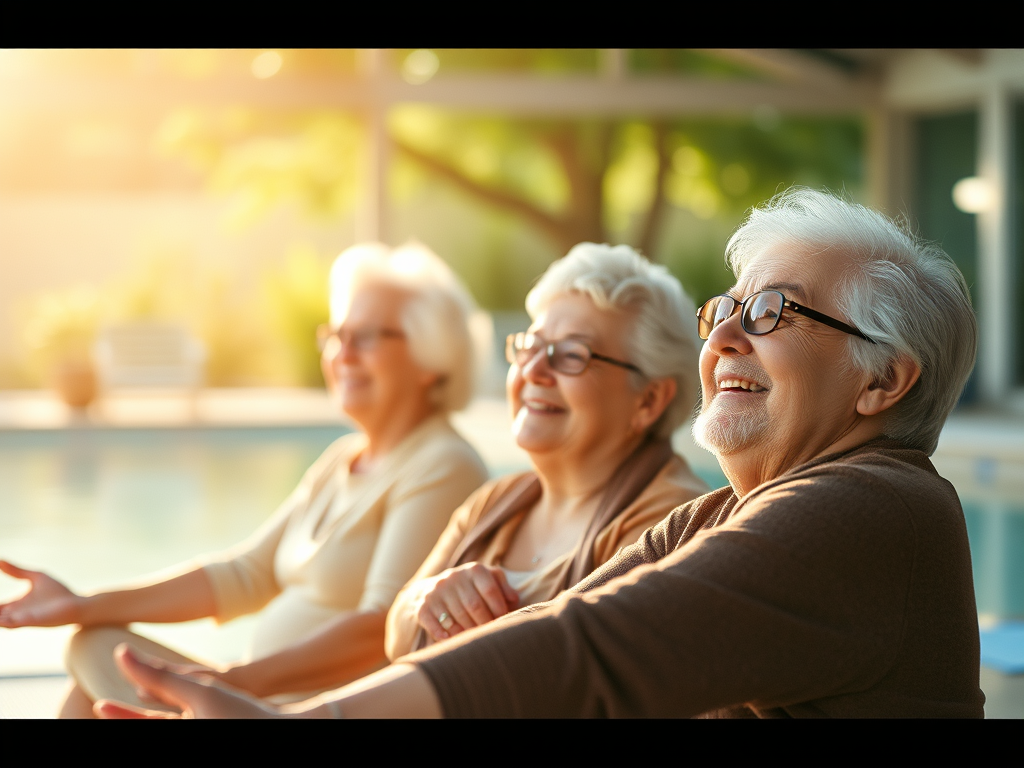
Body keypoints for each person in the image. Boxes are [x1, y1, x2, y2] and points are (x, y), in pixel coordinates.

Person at [96, 187, 984, 719]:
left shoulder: (876, 508)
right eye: (724, 314)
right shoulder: (727, 512)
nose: (724, 343)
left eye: (771, 313)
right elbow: (559, 605)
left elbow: (593, 646)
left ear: (883, 381)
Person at [0, 242, 490, 716]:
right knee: (95, 650)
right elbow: (244, 575)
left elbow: (382, 627)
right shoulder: (343, 459)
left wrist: (234, 685)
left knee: (99, 659)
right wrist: (81, 605)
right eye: (335, 336)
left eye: (365, 337)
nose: (342, 354)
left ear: (431, 357)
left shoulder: (444, 464)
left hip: (310, 710)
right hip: (261, 696)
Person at [382, 243, 708, 659]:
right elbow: (397, 632)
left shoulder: (671, 522)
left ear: (648, 400)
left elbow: (580, 674)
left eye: (571, 355)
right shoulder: (495, 504)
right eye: (530, 346)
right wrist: (428, 598)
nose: (533, 370)